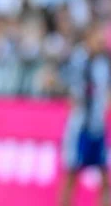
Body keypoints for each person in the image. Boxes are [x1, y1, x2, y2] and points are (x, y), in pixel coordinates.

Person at [59, 23, 110, 206]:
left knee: (105, 178)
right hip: (80, 128)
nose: (101, 43)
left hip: (97, 128)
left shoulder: (103, 64)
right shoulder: (78, 60)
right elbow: (64, 82)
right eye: (97, 39)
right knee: (72, 175)